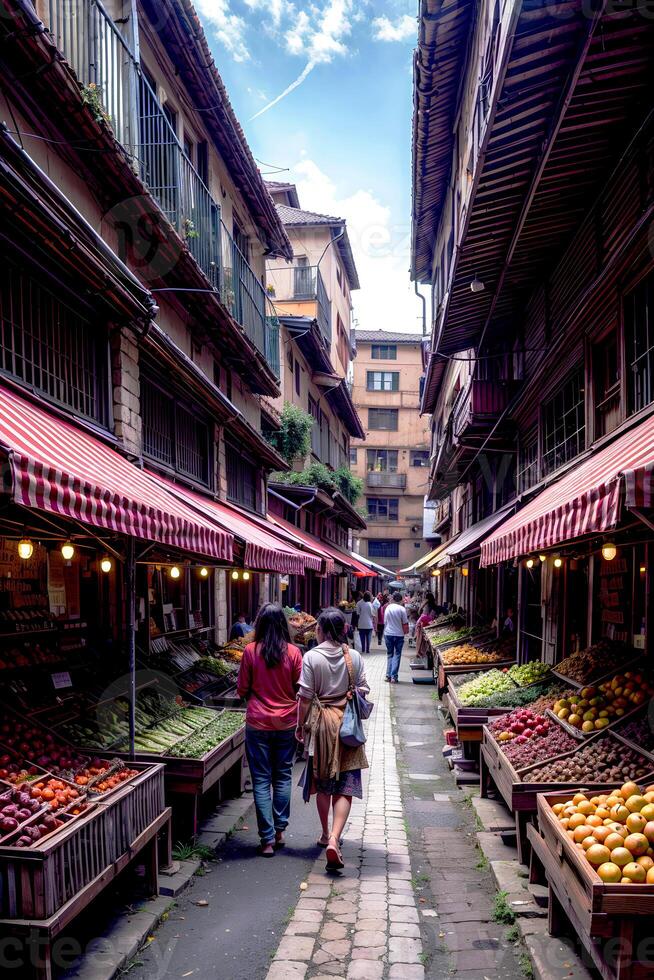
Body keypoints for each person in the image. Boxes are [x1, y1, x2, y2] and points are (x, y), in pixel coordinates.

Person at [296, 607, 369, 871]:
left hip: (320, 726)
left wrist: (300, 726)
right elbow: (363, 689)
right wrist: (349, 694)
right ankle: (335, 838)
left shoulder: (312, 657)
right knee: (345, 784)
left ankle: (326, 834)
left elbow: (304, 697)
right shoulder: (356, 657)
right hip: (347, 728)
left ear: (321, 630)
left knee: (323, 781)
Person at [236, 603, 303, 857]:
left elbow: (242, 689)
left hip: (258, 723)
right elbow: (301, 689)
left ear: (260, 624)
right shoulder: (295, 653)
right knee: (283, 775)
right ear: (283, 625)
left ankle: (266, 840)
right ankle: (279, 831)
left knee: (261, 779)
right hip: (286, 722)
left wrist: (254, 699)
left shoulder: (251, 652)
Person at [384, 591, 408, 683]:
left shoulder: (388, 608)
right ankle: (394, 677)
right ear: (401, 599)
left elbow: (385, 621)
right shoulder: (402, 609)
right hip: (399, 634)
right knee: (397, 654)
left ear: (393, 599)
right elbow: (405, 622)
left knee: (390, 654)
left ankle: (388, 675)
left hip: (388, 634)